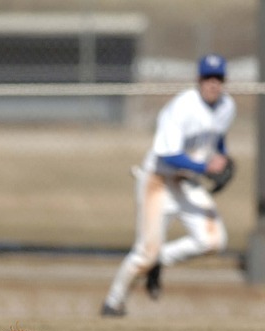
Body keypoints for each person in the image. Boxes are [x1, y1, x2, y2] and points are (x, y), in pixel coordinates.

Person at [101, 54, 235, 317]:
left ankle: (160, 260)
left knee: (214, 240)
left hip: (187, 182)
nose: (213, 84)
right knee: (144, 254)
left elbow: (216, 140)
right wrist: (206, 168)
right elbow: (166, 154)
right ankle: (113, 303)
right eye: (208, 78)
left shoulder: (227, 106)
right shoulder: (182, 108)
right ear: (198, 80)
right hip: (158, 181)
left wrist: (222, 158)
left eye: (218, 78)